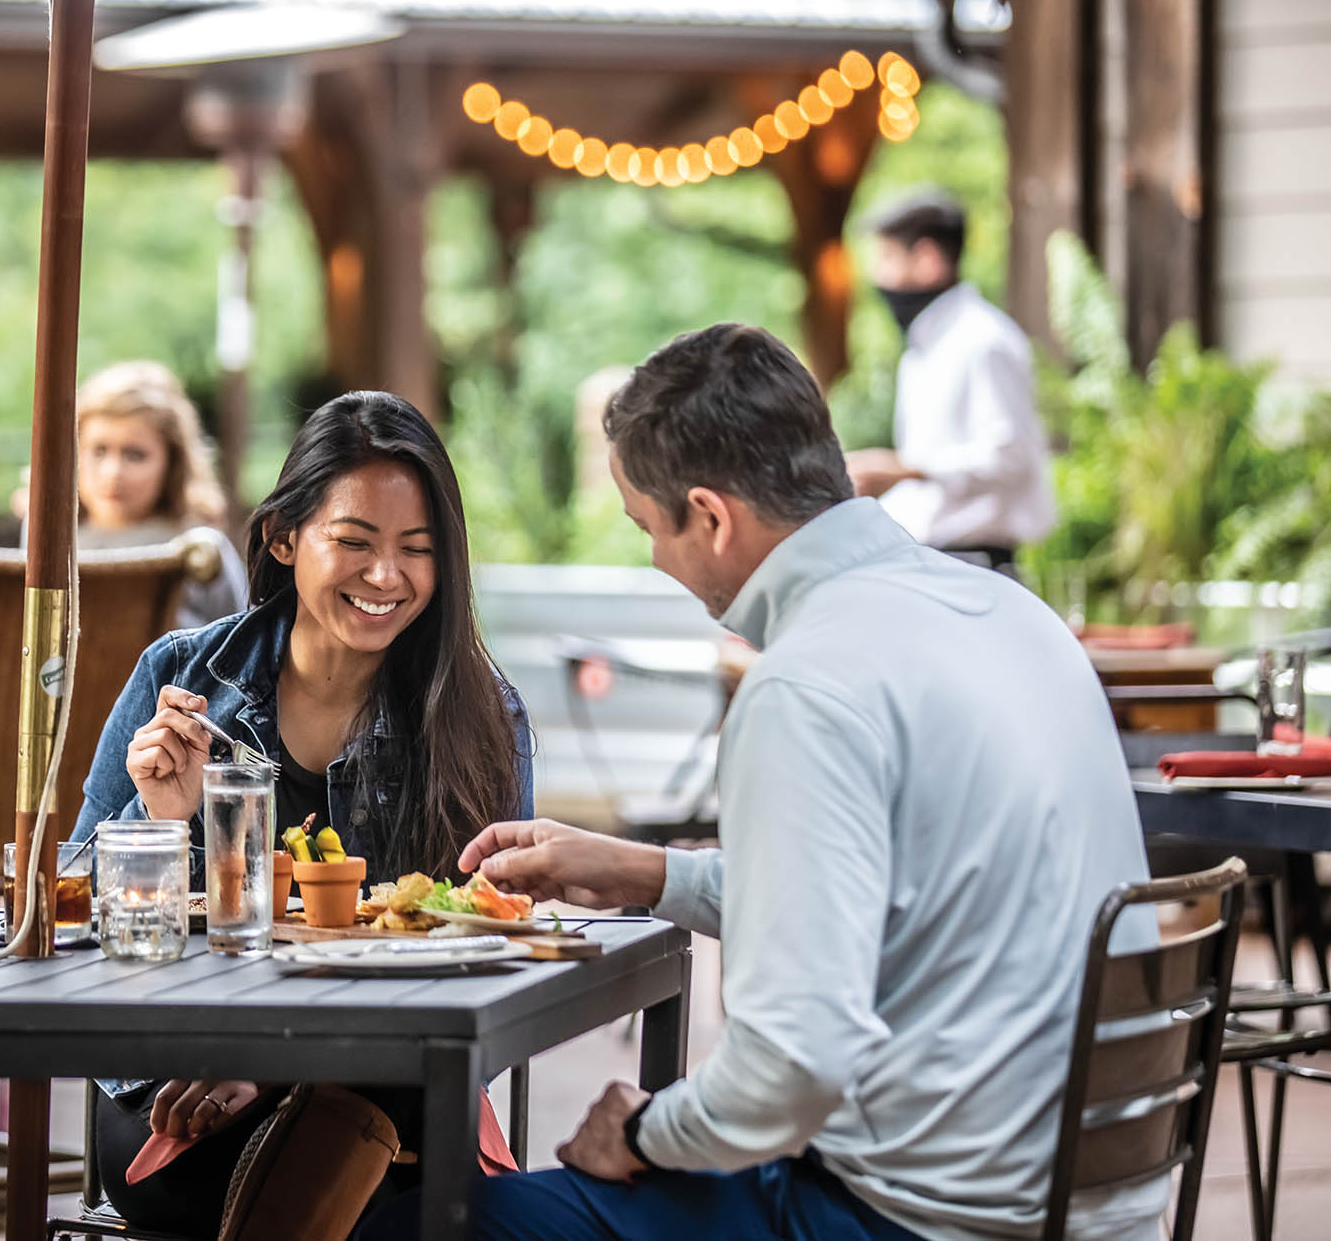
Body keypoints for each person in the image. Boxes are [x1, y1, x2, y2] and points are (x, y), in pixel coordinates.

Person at [366, 324, 1158, 1241]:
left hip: (920, 1218)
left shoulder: (807, 686)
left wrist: (647, 1132)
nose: (655, 561)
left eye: (646, 526)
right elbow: (899, 899)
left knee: (420, 1226)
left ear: (710, 516)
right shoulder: (1015, 618)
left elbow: (789, 1072)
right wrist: (650, 874)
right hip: (1100, 1202)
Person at [71, 390, 535, 1235]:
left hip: (394, 1076)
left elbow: (489, 947)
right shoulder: (183, 678)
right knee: (390, 1197)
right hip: (184, 1074)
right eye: (353, 541)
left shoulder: (480, 716)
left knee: (374, 1120)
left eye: (417, 550)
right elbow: (78, 913)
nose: (385, 576)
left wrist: (284, 1064)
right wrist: (164, 823)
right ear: (285, 536)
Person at [845, 191, 1054, 574]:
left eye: (886, 258)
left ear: (926, 260)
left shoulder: (984, 340)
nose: (877, 276)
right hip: (932, 559)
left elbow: (1010, 455)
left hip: (976, 566)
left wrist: (904, 469)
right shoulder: (923, 349)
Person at [21, 361, 249, 627]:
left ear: (172, 461)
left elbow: (240, 644)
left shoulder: (202, 549)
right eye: (99, 450)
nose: (112, 472)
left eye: (134, 455)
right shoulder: (45, 537)